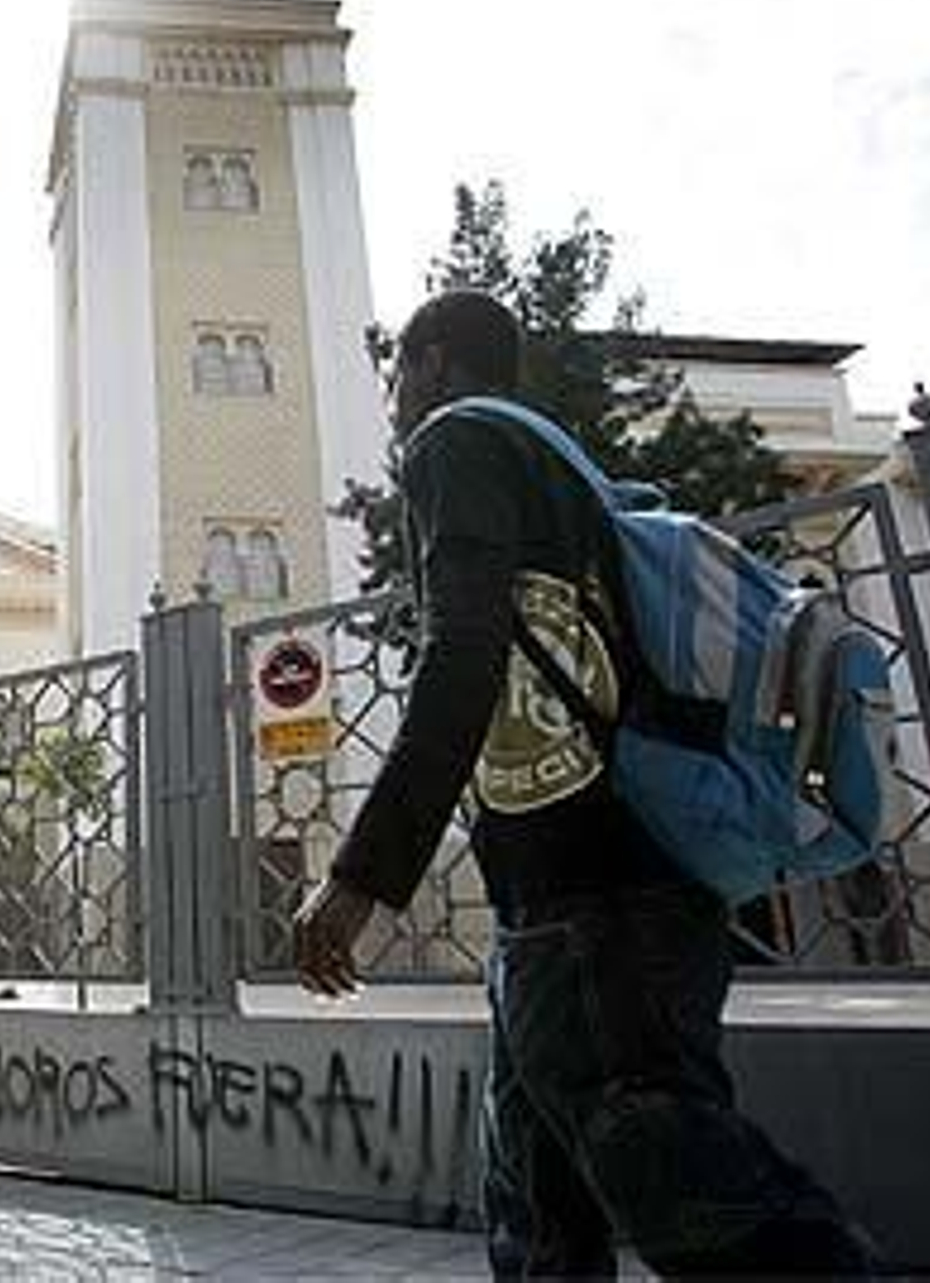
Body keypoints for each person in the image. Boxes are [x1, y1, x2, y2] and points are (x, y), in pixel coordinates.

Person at [293, 290, 878, 1278]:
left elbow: (463, 652)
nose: (393, 398)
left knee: (672, 1176)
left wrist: (362, 879)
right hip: (577, 897)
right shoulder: (566, 476)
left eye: (397, 374)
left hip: (599, 896)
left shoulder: (456, 441)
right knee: (537, 1204)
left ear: (432, 362)